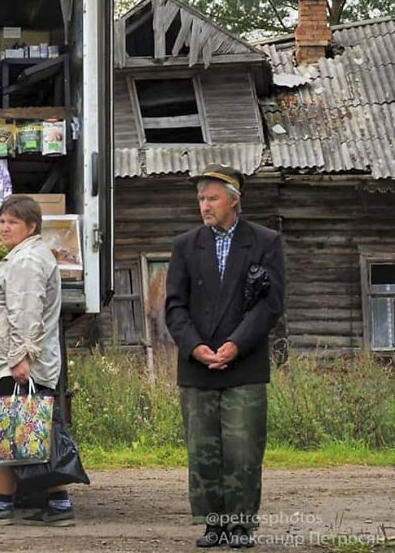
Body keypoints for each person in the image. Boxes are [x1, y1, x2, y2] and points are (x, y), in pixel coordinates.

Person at [165, 164, 285, 549]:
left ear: (235, 200)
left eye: (212, 198)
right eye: (200, 198)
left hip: (244, 364)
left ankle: (240, 526)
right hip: (197, 366)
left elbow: (270, 305)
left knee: (243, 449)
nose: (204, 205)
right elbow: (174, 307)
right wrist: (194, 347)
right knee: (203, 451)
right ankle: (213, 524)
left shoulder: (265, 242)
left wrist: (236, 344)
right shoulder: (186, 245)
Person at [0, 195, 75, 528]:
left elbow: (25, 312)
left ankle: (3, 506)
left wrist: (20, 358)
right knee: (23, 433)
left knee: (13, 432)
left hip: (13, 363)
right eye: (2, 221)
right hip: (10, 361)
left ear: (32, 226)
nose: (5, 227)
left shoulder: (27, 261)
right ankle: (57, 504)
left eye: (13, 222)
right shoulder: (24, 256)